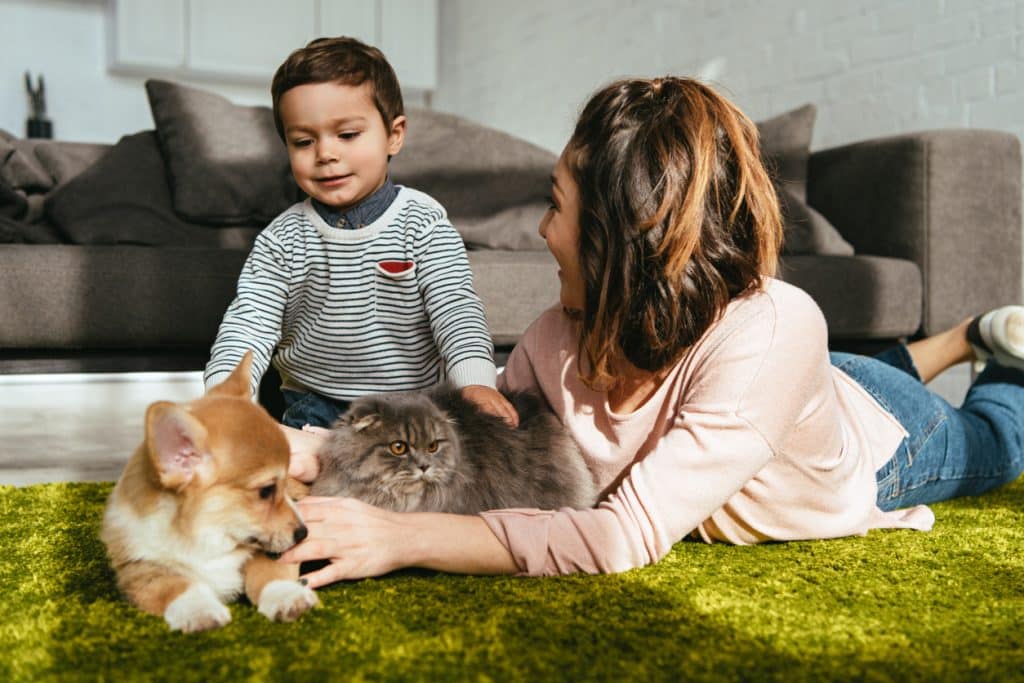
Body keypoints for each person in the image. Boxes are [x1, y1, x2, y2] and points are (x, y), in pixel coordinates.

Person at [279, 76, 1024, 585]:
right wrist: (318, 445)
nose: (541, 231)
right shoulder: (554, 336)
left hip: (886, 442)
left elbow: (620, 537)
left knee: (999, 437)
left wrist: (400, 539)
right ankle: (960, 334)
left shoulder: (773, 328)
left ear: (614, 237)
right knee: (828, 376)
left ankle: (997, 354)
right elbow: (476, 431)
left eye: (555, 204)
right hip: (797, 391)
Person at [204, 36, 516, 429]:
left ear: (394, 135)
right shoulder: (281, 239)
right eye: (303, 141)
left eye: (347, 135)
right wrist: (226, 395)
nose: (326, 154)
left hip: (412, 406)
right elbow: (249, 322)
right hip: (315, 401)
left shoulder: (423, 224)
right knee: (306, 476)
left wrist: (475, 383)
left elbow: (456, 310)